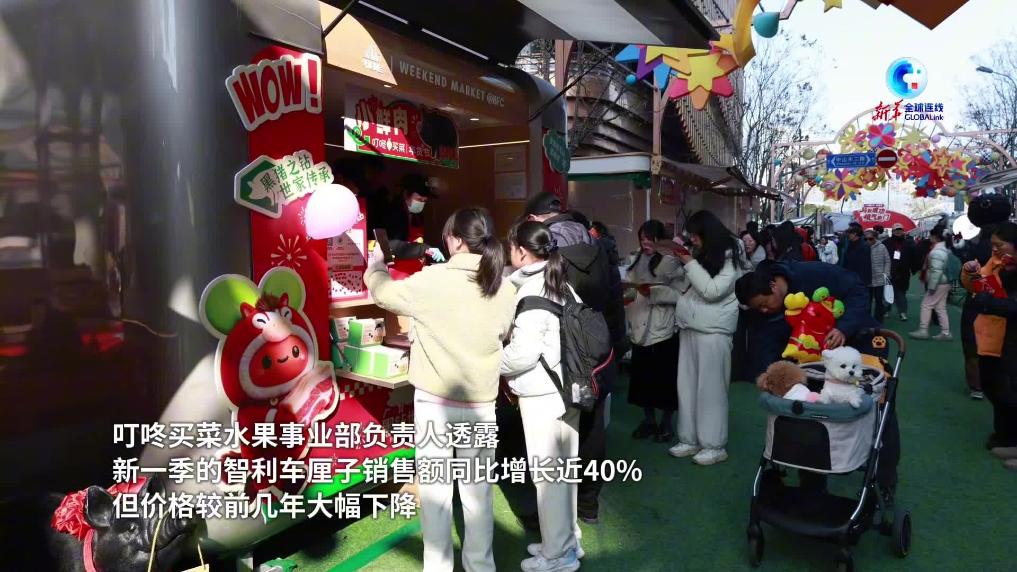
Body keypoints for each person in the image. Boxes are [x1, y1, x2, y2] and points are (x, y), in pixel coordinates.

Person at [365, 208, 516, 572]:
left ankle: (438, 566)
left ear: (457, 240)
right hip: (481, 403)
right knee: (478, 493)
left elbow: (383, 294)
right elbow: (503, 333)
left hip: (434, 404)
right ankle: (481, 565)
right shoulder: (504, 287)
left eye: (448, 234)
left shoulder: (432, 279)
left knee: (436, 492)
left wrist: (376, 265)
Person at [734, 259, 900, 491]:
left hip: (858, 344)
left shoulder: (809, 273)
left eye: (764, 304)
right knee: (810, 415)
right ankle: (812, 484)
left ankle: (884, 481)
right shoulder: (762, 313)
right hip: (812, 363)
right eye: (758, 309)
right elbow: (765, 344)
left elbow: (857, 290)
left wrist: (844, 327)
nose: (763, 310)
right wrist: (768, 376)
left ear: (773, 286)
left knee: (879, 407)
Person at [523, 192, 627, 524]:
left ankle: (550, 511)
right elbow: (615, 300)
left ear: (534, 219)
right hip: (598, 348)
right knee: (593, 428)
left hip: (559, 352)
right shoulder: (598, 244)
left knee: (554, 433)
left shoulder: (544, 248)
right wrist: (616, 345)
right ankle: (588, 503)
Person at [500, 221, 583, 571]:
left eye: (510, 248)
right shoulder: (561, 282)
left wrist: (490, 361)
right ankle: (565, 541)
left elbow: (522, 354)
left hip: (542, 395)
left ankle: (557, 556)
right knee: (564, 473)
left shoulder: (533, 290)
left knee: (548, 477)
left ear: (521, 251)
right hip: (570, 390)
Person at [665, 211, 747, 466]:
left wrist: (689, 261)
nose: (692, 240)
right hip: (690, 326)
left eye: (695, 235)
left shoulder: (731, 256)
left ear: (707, 233)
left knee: (711, 391)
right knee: (687, 387)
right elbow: (674, 279)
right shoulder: (702, 254)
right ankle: (689, 439)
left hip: (714, 331)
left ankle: (714, 445)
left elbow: (712, 291)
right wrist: (677, 254)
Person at [963, 222, 1017, 469]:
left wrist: (988, 302)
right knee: (999, 388)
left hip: (1007, 334)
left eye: (999, 245)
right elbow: (978, 285)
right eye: (993, 245)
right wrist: (972, 275)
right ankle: (1008, 438)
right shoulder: (998, 265)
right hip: (997, 337)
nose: (994, 250)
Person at [625, 220, 681, 443]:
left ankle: (666, 423)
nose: (645, 243)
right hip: (639, 325)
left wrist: (655, 292)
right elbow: (631, 289)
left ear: (661, 240)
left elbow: (681, 294)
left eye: (650, 239)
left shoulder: (672, 261)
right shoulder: (634, 258)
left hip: (663, 328)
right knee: (642, 379)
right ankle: (648, 421)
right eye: (642, 239)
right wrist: (626, 293)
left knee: (665, 379)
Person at [383, 173, 446, 277]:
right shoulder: (393, 213)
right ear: (406, 194)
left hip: (415, 272)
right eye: (419, 199)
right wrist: (424, 248)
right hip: (398, 273)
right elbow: (391, 245)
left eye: (425, 201)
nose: (422, 203)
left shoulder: (417, 215)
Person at [911, 227, 952, 341]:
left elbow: (936, 271)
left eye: (931, 236)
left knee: (926, 305)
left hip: (938, 283)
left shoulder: (936, 251)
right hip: (944, 282)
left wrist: (932, 286)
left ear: (936, 237)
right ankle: (945, 332)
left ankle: (923, 330)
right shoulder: (945, 249)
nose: (929, 238)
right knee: (940, 308)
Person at [884, 223, 916, 321]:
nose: (898, 232)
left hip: (903, 273)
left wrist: (913, 269)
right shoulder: (886, 242)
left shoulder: (908, 243)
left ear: (903, 231)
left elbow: (913, 257)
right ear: (892, 231)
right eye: (896, 230)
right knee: (887, 293)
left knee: (901, 293)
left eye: (900, 230)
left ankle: (902, 312)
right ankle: (886, 311)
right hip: (889, 271)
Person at [866, 229, 892, 323]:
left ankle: (878, 321)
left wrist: (886, 273)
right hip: (867, 279)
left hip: (880, 279)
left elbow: (887, 261)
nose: (868, 241)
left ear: (875, 238)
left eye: (870, 238)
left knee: (879, 301)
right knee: (867, 302)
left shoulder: (882, 247)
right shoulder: (864, 247)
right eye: (866, 239)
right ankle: (867, 321)